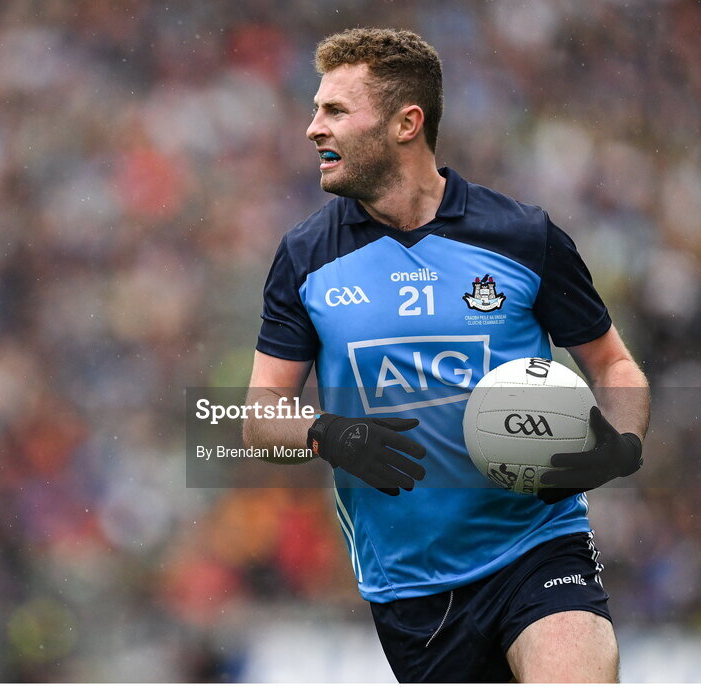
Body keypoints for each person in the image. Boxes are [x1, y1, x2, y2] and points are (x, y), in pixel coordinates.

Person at [243, 27, 650, 683]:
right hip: (412, 591)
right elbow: (258, 418)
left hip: (538, 546)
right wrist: (328, 432)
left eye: (335, 111)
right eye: (317, 109)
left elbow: (613, 366)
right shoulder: (304, 258)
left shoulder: (522, 237)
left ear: (407, 123)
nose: (313, 128)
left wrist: (622, 445)